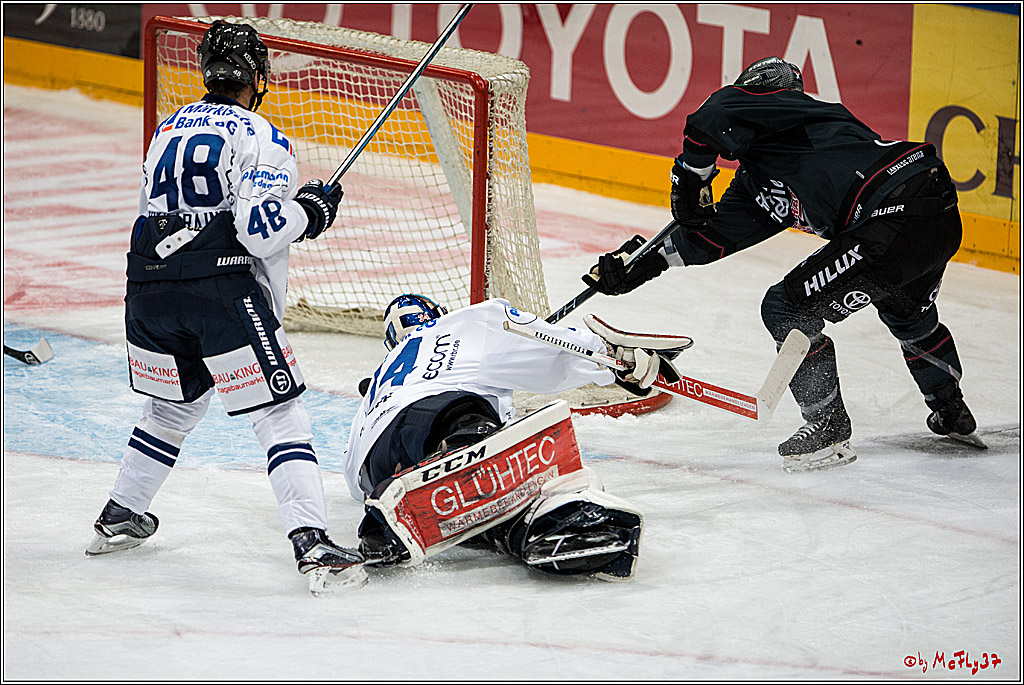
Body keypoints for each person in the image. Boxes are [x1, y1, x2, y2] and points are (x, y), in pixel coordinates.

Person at [582, 56, 982, 472]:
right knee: (907, 312)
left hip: (892, 212)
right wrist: (641, 264)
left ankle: (826, 426)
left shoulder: (792, 111)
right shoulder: (761, 178)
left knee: (786, 307)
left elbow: (711, 116)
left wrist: (691, 179)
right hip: (931, 215)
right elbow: (709, 238)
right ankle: (949, 408)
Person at [86, 20, 365, 591]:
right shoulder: (262, 136)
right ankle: (312, 545)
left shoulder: (167, 128)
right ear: (257, 77)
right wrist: (311, 211)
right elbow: (260, 230)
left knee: (170, 411)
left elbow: (151, 210)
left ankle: (119, 515)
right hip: (219, 291)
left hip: (147, 287)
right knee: (279, 413)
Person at [342, 294, 685, 579]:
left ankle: (537, 532)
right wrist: (613, 360)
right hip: (437, 417)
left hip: (375, 465)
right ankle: (472, 468)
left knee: (497, 504)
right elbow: (546, 348)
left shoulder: (379, 379)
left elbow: (354, 475)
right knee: (471, 422)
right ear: (437, 315)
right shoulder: (463, 323)